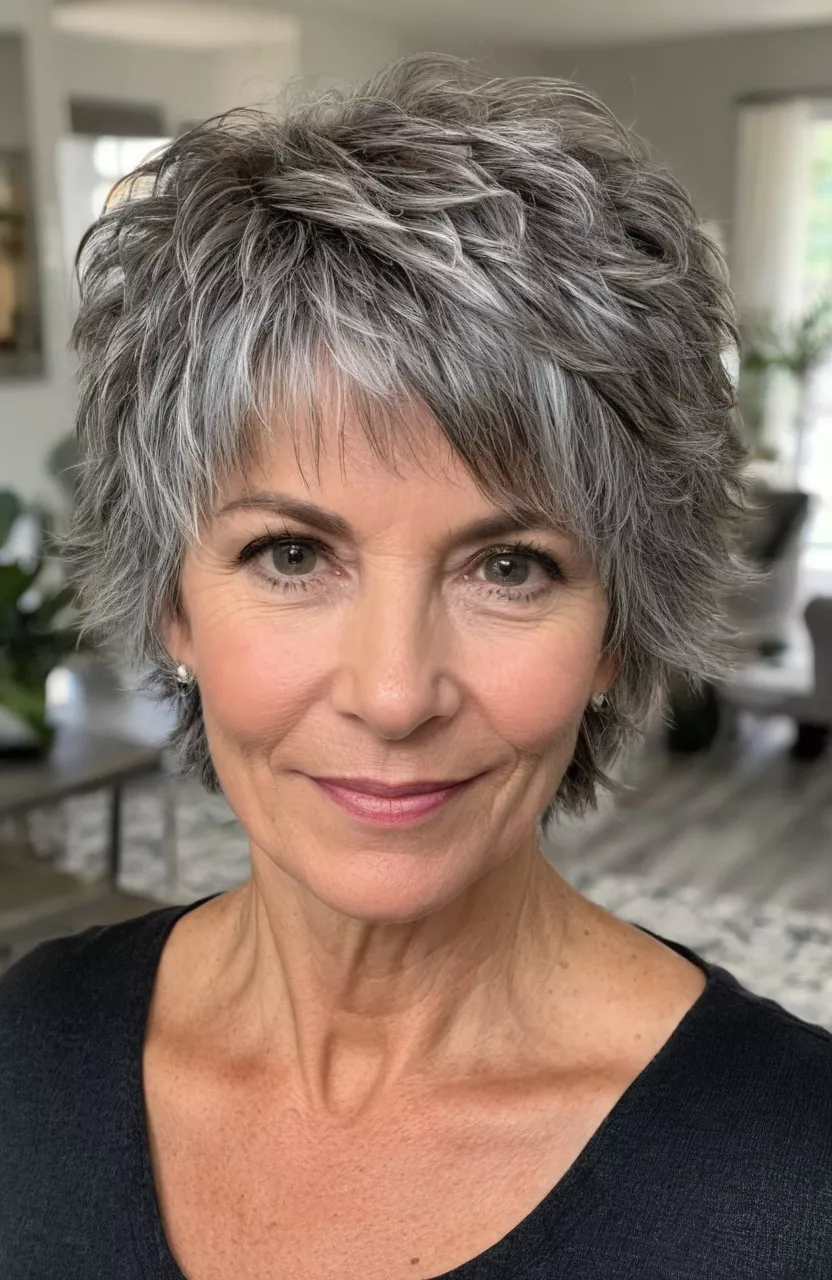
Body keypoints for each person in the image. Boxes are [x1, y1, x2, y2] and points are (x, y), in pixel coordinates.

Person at [1, 53, 831, 1280]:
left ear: (615, 630)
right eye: (290, 551)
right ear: (172, 601)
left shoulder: (796, 1184)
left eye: (510, 567)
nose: (393, 694)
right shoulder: (26, 1049)